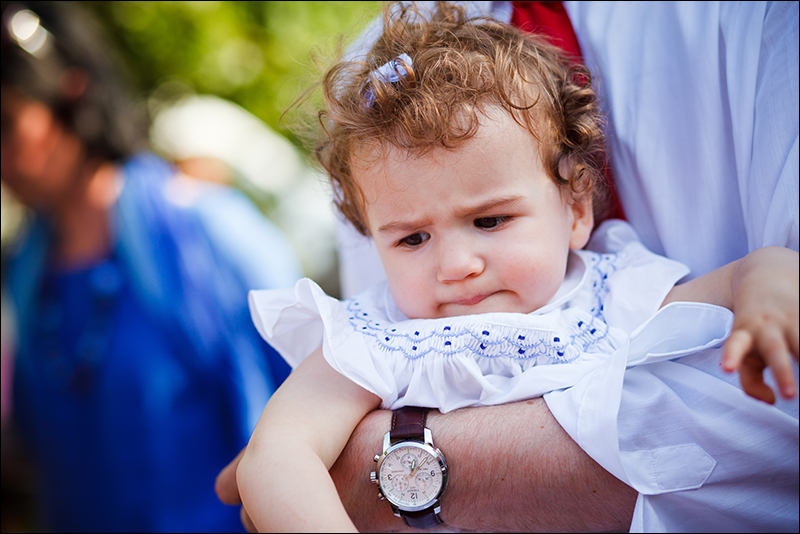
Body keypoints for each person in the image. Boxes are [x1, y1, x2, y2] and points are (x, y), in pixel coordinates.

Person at [218, 2, 799, 532]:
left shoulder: (607, 291)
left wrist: (767, 280)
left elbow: (732, 281)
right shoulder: (382, 339)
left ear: (575, 207)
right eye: (412, 238)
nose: (457, 265)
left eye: (490, 221)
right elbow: (277, 456)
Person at [0, 1, 302, 531]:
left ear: (72, 95)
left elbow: (311, 418)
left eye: (5, 123)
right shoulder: (24, 271)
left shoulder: (207, 234)